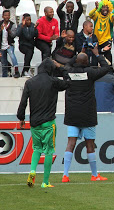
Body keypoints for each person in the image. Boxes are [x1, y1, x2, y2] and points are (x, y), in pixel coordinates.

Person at [62, 46, 112, 183]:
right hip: (88, 114)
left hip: (72, 114)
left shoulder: (69, 72)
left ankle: (65, 175)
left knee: (70, 143)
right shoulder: (90, 72)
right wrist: (97, 54)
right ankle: (94, 175)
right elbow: (107, 68)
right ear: (86, 62)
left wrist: (77, 55)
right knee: (90, 145)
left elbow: (66, 65)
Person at [17, 58, 69, 188]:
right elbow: (68, 82)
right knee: (49, 151)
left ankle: (32, 171)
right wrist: (61, 68)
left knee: (36, 149)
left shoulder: (30, 82)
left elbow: (23, 101)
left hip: (34, 123)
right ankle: (45, 182)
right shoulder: (53, 82)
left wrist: (21, 117)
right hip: (48, 123)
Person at [0, 9, 20, 78]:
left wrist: (8, 30)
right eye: (5, 15)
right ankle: (4, 76)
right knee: (3, 62)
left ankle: (16, 71)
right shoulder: (0, 24)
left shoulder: (12, 25)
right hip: (1, 46)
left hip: (9, 45)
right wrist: (1, 30)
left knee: (12, 56)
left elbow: (14, 35)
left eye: (8, 15)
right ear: (3, 16)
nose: (7, 17)